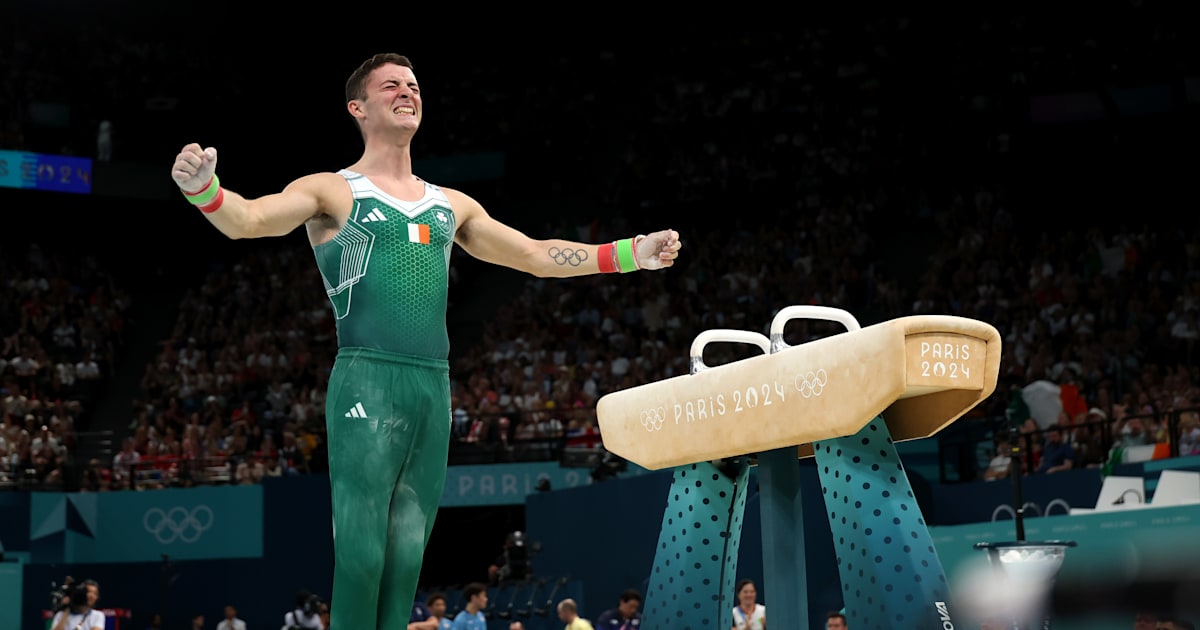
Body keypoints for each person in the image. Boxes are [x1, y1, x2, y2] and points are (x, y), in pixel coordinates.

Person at [170, 52, 682, 630]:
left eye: (413, 84)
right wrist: (204, 191)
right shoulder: (332, 191)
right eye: (390, 85)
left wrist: (629, 254)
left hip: (431, 388)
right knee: (362, 555)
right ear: (357, 107)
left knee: (407, 558)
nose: (406, 91)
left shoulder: (450, 205)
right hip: (367, 378)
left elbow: (536, 255)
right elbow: (249, 219)